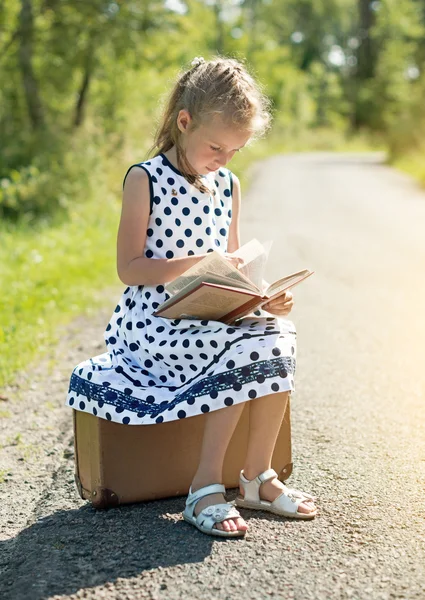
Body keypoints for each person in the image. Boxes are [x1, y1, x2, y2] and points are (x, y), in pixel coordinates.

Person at [66, 55, 317, 538]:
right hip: (155, 323)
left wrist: (262, 299)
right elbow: (130, 268)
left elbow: (234, 269)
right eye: (215, 146)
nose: (223, 160)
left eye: (234, 151)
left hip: (210, 315)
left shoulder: (229, 186)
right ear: (184, 122)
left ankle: (256, 478)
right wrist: (197, 264)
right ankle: (204, 487)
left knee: (277, 333)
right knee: (238, 345)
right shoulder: (145, 179)